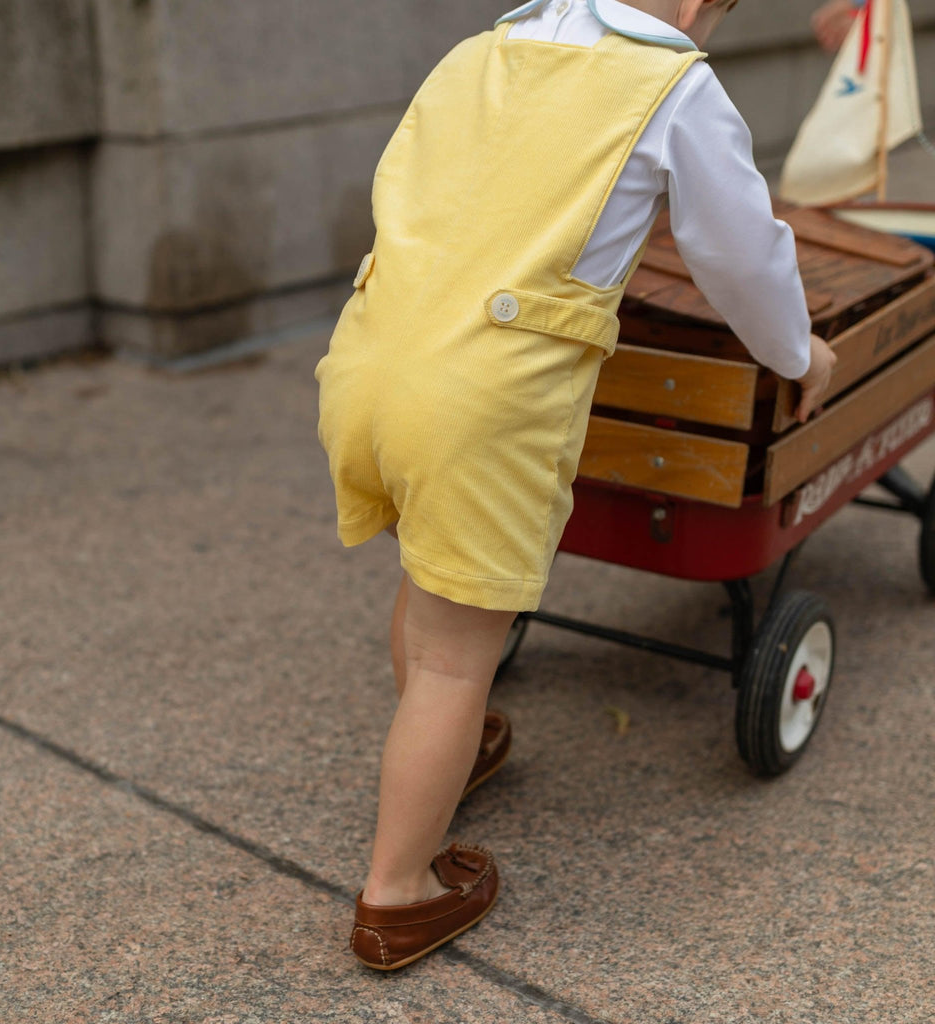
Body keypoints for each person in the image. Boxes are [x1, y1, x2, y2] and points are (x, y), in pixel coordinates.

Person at [316, 0, 837, 971]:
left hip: (372, 358)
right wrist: (797, 353)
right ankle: (397, 893)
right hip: (482, 395)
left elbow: (419, 188)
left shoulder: (482, 52)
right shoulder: (672, 85)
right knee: (448, 660)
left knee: (428, 584)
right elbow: (742, 256)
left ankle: (453, 754)